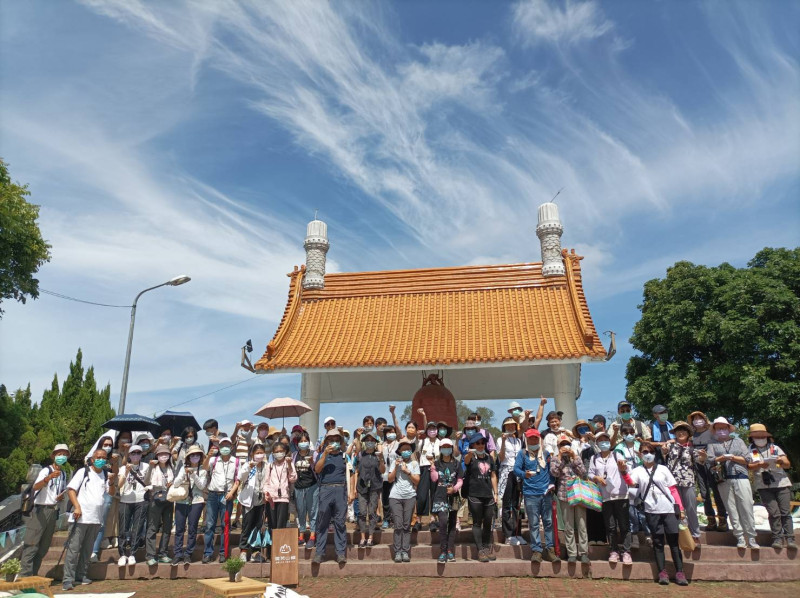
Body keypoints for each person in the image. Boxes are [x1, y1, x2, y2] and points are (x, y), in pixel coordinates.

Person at [627, 441, 688, 586]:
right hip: (651, 509)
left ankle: (680, 572)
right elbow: (630, 482)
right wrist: (623, 471)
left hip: (668, 508)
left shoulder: (663, 469)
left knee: (673, 542)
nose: (648, 455)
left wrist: (680, 507)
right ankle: (662, 572)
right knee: (658, 542)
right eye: (645, 452)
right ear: (640, 454)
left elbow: (672, 489)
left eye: (651, 452)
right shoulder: (637, 471)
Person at [62, 447, 117, 591]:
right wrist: (77, 507)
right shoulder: (83, 472)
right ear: (92, 459)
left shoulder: (105, 474)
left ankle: (81, 575)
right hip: (80, 517)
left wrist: (111, 481)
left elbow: (111, 493)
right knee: (74, 549)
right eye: (98, 457)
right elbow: (71, 489)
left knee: (87, 550)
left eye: (103, 458)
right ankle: (68, 579)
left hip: (96, 518)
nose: (100, 460)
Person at [707, 416, 757, 549]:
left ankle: (751, 537)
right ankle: (740, 537)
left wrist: (733, 457)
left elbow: (747, 459)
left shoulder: (739, 441)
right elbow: (710, 460)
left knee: (746, 507)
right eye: (718, 429)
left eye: (723, 428)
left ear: (729, 429)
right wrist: (721, 458)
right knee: (732, 509)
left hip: (741, 476)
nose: (721, 431)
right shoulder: (712, 444)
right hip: (723, 479)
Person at [20, 444, 70, 577]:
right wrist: (48, 478)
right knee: (32, 545)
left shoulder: (63, 474)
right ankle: (24, 577)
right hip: (39, 510)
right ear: (53, 456)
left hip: (53, 510)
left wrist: (60, 497)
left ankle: (33, 576)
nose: (62, 457)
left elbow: (58, 492)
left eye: (64, 454)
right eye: (59, 454)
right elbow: (35, 487)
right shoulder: (46, 470)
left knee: (43, 548)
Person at [745, 423, 796, 550]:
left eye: (763, 436)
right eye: (757, 437)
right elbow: (748, 466)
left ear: (767, 437)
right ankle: (777, 538)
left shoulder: (775, 448)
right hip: (763, 484)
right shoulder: (749, 449)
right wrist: (759, 465)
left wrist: (780, 461)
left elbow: (787, 464)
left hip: (781, 483)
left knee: (785, 512)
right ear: (752, 438)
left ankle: (790, 538)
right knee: (773, 512)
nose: (760, 439)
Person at [514, 429, 560, 564]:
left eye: (535, 438)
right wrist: (524, 474)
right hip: (530, 494)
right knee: (533, 524)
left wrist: (551, 486)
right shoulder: (522, 454)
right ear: (527, 440)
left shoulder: (546, 454)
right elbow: (516, 469)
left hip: (546, 494)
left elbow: (552, 472)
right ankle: (536, 551)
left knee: (548, 523)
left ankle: (550, 549)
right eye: (530, 439)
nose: (533, 441)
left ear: (539, 439)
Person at [588, 431, 632, 565]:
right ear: (597, 443)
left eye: (606, 440)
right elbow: (590, 474)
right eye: (600, 441)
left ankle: (626, 551)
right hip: (605, 496)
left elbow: (627, 469)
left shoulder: (617, 454)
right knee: (610, 526)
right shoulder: (594, 458)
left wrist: (623, 467)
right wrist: (596, 478)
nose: (604, 443)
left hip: (621, 494)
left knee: (624, 525)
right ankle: (613, 550)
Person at [550, 433, 589, 564]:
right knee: (568, 526)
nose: (565, 446)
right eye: (562, 444)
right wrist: (560, 457)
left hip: (578, 495)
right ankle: (571, 552)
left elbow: (583, 473)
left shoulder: (575, 457)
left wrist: (574, 457)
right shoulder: (555, 458)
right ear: (558, 446)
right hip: (564, 495)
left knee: (582, 524)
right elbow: (554, 473)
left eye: (567, 444)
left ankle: (583, 552)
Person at [313, 428, 349, 564]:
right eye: (331, 440)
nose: (334, 442)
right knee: (322, 522)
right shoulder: (322, 455)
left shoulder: (344, 456)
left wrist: (350, 492)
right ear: (326, 441)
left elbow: (350, 473)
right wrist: (324, 455)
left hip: (340, 489)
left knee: (340, 522)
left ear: (340, 442)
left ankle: (340, 553)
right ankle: (319, 553)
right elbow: (317, 469)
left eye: (336, 440)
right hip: (325, 489)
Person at [202, 436, 241, 563]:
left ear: (231, 447)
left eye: (227, 445)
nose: (225, 448)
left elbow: (238, 480)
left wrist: (232, 492)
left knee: (225, 525)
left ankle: (224, 552)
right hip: (213, 494)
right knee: (209, 525)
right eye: (222, 445)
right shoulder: (214, 460)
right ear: (219, 447)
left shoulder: (236, 461)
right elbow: (204, 467)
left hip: (227, 495)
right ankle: (208, 553)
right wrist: (208, 455)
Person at [661, 421, 701, 543]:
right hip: (672, 483)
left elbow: (700, 461)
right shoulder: (670, 446)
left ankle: (695, 534)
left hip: (688, 481)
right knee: (676, 509)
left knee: (691, 508)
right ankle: (679, 534)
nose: (681, 432)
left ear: (688, 433)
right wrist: (664, 449)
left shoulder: (692, 448)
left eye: (684, 430)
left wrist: (703, 457)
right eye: (678, 430)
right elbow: (663, 454)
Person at [689, 410, 728, 532]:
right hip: (698, 465)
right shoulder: (692, 435)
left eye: (699, 418)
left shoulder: (711, 433)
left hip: (711, 464)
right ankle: (710, 518)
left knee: (716, 491)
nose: (697, 421)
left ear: (704, 419)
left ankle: (722, 519)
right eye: (694, 419)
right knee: (704, 492)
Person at [464, 433, 498, 563]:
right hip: (474, 494)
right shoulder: (471, 457)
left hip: (488, 494)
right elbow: (466, 461)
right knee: (477, 522)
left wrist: (495, 493)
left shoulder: (489, 458)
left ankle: (486, 547)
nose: (480, 445)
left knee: (488, 521)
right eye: (477, 443)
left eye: (482, 443)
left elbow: (493, 475)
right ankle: (480, 550)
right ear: (473, 444)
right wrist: (470, 453)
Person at [172, 445, 208, 565]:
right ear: (188, 457)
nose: (195, 457)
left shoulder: (203, 470)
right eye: (192, 455)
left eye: (197, 455)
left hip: (196, 502)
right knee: (179, 528)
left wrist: (194, 474)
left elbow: (202, 486)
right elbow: (175, 483)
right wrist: (184, 474)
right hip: (182, 501)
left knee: (192, 529)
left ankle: (188, 554)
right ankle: (178, 554)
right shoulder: (183, 468)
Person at [614, 422, 648, 549]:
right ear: (622, 435)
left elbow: (647, 460)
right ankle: (634, 536)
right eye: (626, 433)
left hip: (642, 479)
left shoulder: (640, 445)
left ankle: (648, 534)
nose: (629, 435)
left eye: (632, 432)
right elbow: (620, 464)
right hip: (627, 481)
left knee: (644, 506)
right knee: (632, 509)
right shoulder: (619, 447)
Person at [430, 438, 462, 563]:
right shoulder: (437, 463)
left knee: (452, 523)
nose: (446, 449)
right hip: (440, 496)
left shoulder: (456, 463)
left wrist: (454, 489)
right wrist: (433, 468)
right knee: (443, 522)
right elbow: (434, 479)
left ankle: (450, 550)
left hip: (453, 497)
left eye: (449, 447)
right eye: (444, 447)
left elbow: (460, 480)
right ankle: (443, 550)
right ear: (441, 449)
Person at [116, 444, 150, 567]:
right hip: (125, 500)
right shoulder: (123, 467)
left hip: (141, 500)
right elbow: (119, 485)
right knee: (123, 528)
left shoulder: (146, 466)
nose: (136, 455)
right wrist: (126, 471)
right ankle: (122, 554)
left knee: (138, 528)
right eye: (133, 453)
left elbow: (149, 481)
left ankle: (132, 554)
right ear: (129, 455)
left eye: (138, 453)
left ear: (142, 455)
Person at [388, 437, 420, 563]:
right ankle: (397, 552)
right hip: (395, 496)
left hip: (410, 496)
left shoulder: (414, 464)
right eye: (403, 449)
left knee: (407, 525)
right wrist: (396, 468)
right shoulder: (395, 462)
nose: (406, 451)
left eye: (408, 449)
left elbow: (417, 480)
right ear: (399, 451)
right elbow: (390, 479)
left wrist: (407, 472)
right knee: (398, 524)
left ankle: (405, 551)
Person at [351, 430, 385, 547]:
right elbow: (355, 471)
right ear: (364, 442)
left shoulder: (379, 455)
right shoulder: (360, 455)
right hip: (361, 487)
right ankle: (362, 537)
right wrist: (353, 489)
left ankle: (370, 537)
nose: (370, 442)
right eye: (367, 440)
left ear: (375, 442)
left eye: (372, 440)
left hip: (375, 486)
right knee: (361, 512)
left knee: (372, 512)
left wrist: (381, 459)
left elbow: (383, 471)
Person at [143, 444, 175, 565]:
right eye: (161, 454)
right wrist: (151, 467)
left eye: (166, 454)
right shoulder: (153, 467)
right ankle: (150, 555)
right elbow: (146, 481)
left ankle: (163, 553)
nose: (163, 456)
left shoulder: (172, 467)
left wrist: (171, 485)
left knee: (167, 527)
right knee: (152, 527)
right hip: (155, 499)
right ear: (157, 455)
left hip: (169, 499)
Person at [237, 443, 267, 562]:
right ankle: (243, 551)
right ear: (252, 454)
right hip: (249, 501)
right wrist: (249, 467)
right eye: (257, 453)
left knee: (258, 526)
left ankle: (255, 552)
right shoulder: (248, 465)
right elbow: (241, 477)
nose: (259, 455)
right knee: (247, 525)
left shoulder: (266, 465)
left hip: (261, 501)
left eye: (261, 453)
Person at [90, 435, 118, 562]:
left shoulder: (112, 458)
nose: (108, 447)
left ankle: (94, 552)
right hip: (92, 494)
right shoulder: (91, 460)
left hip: (106, 491)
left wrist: (114, 462)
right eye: (105, 444)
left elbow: (115, 474)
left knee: (101, 522)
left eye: (110, 445)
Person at [497, 416, 524, 545]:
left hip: (517, 472)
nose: (510, 427)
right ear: (504, 427)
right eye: (508, 426)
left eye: (513, 425)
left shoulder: (518, 441)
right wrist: (503, 442)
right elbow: (501, 458)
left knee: (517, 503)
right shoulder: (500, 439)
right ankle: (508, 534)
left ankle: (517, 532)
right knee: (507, 503)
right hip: (506, 471)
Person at [263, 442, 297, 535]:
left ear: (285, 452)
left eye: (281, 451)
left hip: (283, 498)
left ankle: (279, 546)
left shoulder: (288, 464)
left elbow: (293, 479)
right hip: (271, 499)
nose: (279, 453)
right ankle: (272, 546)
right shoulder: (269, 466)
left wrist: (290, 465)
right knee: (272, 524)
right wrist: (266, 493)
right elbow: (266, 482)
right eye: (276, 451)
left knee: (281, 525)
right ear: (273, 453)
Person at [293, 431, 318, 547]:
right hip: (298, 487)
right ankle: (301, 535)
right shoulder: (294, 455)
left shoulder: (314, 454)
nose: (303, 443)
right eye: (301, 441)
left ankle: (312, 536)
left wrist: (312, 462)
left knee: (313, 511)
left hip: (312, 486)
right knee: (301, 512)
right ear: (297, 443)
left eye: (305, 441)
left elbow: (318, 470)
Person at [417, 410, 440, 531]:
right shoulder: (422, 442)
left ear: (437, 431)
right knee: (422, 495)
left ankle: (433, 519)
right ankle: (419, 519)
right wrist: (424, 416)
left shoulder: (441, 443)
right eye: (430, 429)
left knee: (435, 494)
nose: (432, 431)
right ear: (426, 431)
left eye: (434, 429)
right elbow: (416, 453)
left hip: (436, 468)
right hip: (424, 468)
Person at [380, 424, 399, 530]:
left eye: (393, 431)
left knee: (395, 497)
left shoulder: (399, 444)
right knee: (385, 498)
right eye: (388, 432)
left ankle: (395, 518)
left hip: (396, 475)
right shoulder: (382, 445)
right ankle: (386, 519)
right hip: (384, 475)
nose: (391, 434)